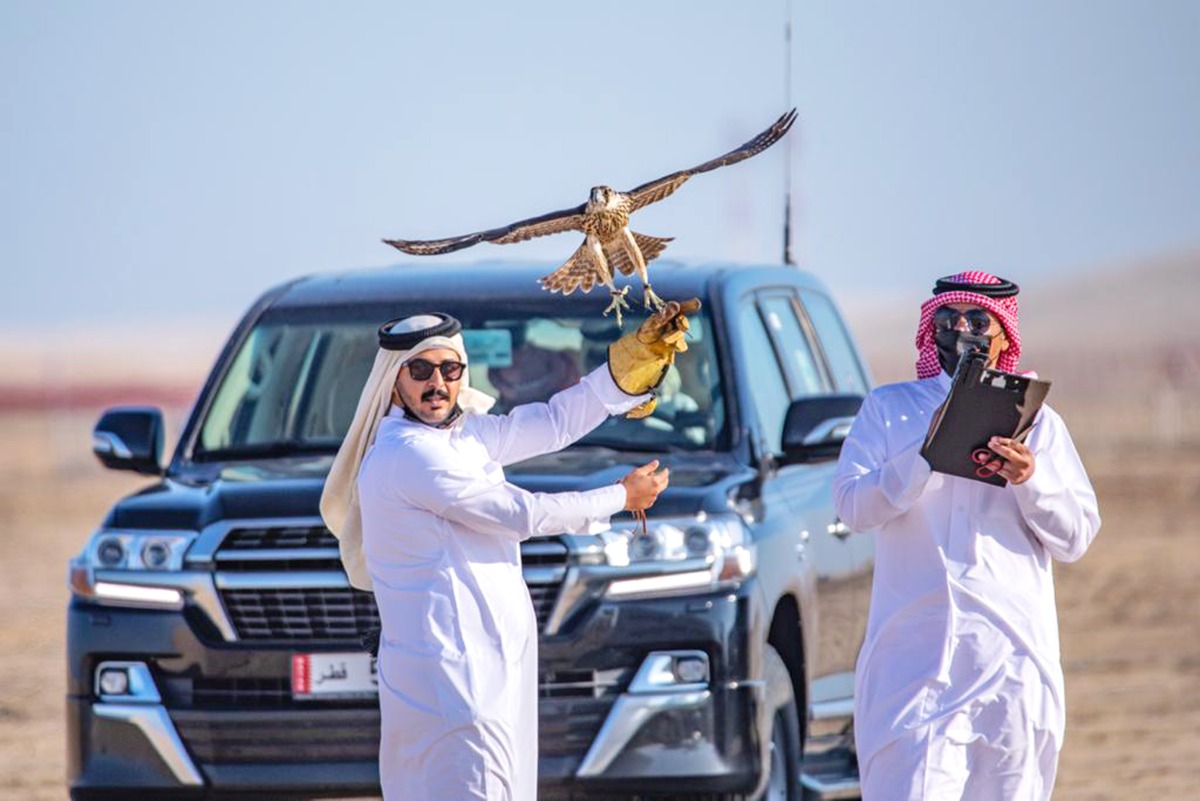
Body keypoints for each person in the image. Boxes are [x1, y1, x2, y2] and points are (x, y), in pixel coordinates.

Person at [320, 303, 696, 800]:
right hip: (454, 685)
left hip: (488, 676)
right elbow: (521, 514)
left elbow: (555, 422)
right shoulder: (409, 455)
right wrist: (621, 498)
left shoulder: (463, 437)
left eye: (449, 369)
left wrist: (625, 372)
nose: (438, 383)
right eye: (421, 370)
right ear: (394, 381)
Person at [833, 270, 1101, 800]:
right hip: (914, 666)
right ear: (930, 329)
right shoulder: (890, 411)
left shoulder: (1040, 425)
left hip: (1012, 664)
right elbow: (852, 509)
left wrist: (1029, 480)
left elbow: (1076, 538)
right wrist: (924, 453)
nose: (962, 329)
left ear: (1003, 333)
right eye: (950, 319)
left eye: (978, 320)